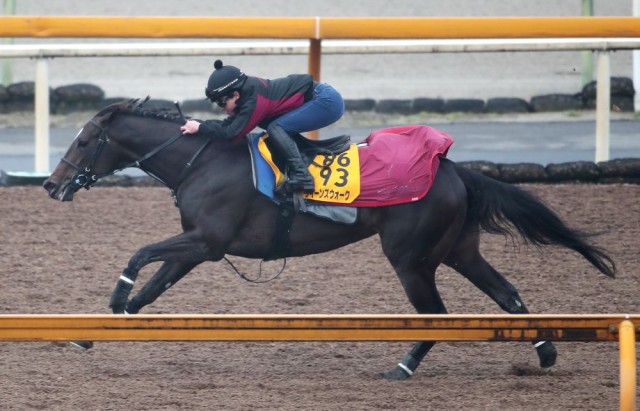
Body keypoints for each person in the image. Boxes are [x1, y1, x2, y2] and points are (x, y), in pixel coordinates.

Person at [181, 59, 345, 195]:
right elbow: (230, 125)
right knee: (272, 126)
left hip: (327, 101)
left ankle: (303, 178)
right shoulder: (248, 92)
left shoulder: (255, 99)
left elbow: (232, 133)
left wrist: (200, 127)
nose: (221, 108)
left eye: (221, 102)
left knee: (275, 128)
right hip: (320, 97)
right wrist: (201, 125)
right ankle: (302, 159)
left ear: (236, 95)